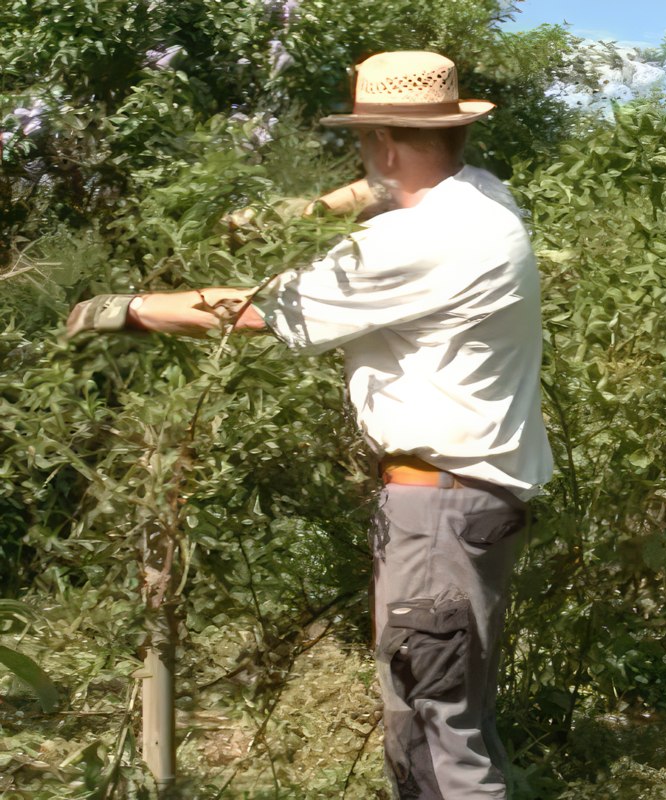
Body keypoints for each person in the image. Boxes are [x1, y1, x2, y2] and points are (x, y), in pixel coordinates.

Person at [68, 50, 553, 800]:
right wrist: (304, 211)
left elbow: (261, 308)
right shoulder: (483, 199)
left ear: (383, 143)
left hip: (439, 509)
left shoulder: (421, 240)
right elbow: (378, 189)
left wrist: (124, 310)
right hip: (471, 503)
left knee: (434, 728)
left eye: (366, 141)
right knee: (444, 712)